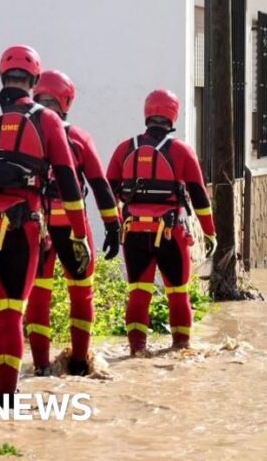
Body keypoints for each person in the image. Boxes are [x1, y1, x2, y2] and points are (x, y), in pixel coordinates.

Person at [0, 45, 91, 410]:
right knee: (11, 312)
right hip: (22, 226)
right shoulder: (48, 120)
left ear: (1, 75)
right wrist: (79, 234)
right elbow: (69, 184)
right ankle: (6, 402)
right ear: (35, 80)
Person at [25, 70, 121, 377]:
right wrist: (113, 226)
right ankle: (80, 363)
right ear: (66, 100)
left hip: (35, 225)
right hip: (71, 224)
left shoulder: (24, 133)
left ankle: (40, 366)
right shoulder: (78, 137)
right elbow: (100, 184)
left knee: (38, 295)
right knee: (82, 294)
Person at [106, 89, 216, 354]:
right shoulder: (181, 151)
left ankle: (136, 350)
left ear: (147, 113)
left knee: (138, 292)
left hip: (133, 231)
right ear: (173, 115)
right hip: (170, 233)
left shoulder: (125, 148)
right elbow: (199, 195)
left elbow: (108, 190)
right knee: (178, 293)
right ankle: (181, 349)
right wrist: (210, 233)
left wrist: (114, 225)